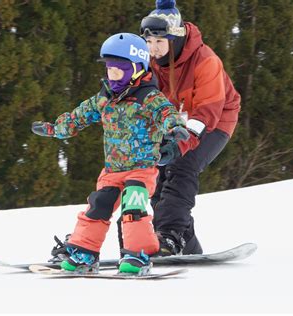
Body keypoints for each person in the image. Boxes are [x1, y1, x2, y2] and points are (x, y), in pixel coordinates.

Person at [32, 33, 189, 275]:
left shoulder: (148, 97)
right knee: (97, 207)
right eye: (109, 70)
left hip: (141, 167)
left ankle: (139, 255)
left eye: (118, 71)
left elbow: (166, 112)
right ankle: (84, 253)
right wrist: (55, 129)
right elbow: (79, 116)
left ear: (136, 69)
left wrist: (175, 127)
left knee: (133, 206)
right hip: (112, 170)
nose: (112, 77)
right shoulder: (105, 98)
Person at [136, 0, 242, 256]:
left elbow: (208, 111)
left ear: (177, 38)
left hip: (214, 120)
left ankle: (169, 235)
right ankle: (189, 246)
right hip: (174, 122)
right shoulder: (150, 63)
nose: (153, 49)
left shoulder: (206, 62)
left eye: (160, 42)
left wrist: (181, 143)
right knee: (158, 181)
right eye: (148, 42)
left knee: (183, 165)